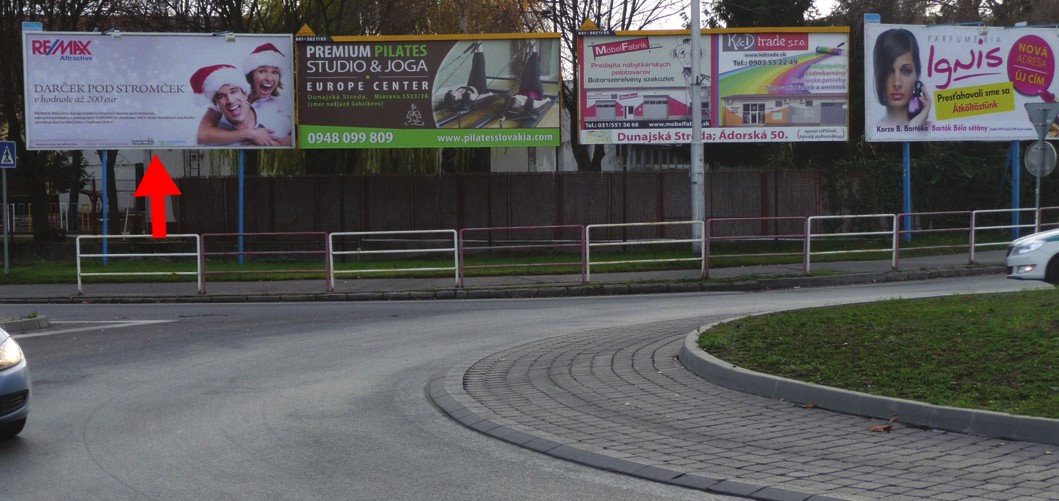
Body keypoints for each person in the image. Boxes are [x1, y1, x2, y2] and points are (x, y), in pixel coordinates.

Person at [194, 43, 292, 146]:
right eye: (262, 71)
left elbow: (296, 136)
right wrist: (250, 134)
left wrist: (274, 144)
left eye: (275, 72)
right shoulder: (227, 97)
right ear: (251, 74)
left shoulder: (280, 102)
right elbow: (202, 135)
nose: (269, 78)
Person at [189, 64, 277, 146]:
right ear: (216, 105)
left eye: (234, 92)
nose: (230, 100)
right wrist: (250, 134)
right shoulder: (213, 140)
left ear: (246, 94)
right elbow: (202, 136)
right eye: (221, 96)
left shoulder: (274, 114)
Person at [873, 28, 931, 127]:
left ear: (917, 74)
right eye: (888, 71)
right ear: (879, 75)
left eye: (906, 71)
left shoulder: (932, 129)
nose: (897, 83)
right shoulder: (874, 130)